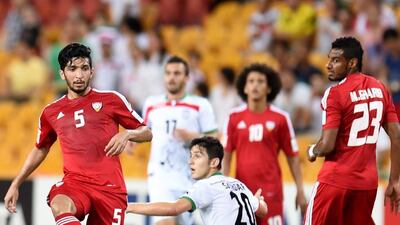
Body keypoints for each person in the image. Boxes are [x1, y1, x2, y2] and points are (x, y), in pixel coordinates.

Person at [3, 43, 153, 225]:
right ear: (62, 74)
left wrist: (127, 134)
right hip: (75, 184)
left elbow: (147, 132)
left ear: (92, 71)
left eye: (84, 68)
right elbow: (40, 148)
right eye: (72, 69)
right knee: (59, 202)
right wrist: (16, 183)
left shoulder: (111, 99)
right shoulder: (51, 112)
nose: (79, 75)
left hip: (110, 190)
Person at [305, 37, 400, 225]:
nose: (328, 65)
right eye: (329, 59)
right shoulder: (380, 88)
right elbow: (396, 137)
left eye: (335, 60)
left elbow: (327, 145)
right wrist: (394, 181)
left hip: (335, 181)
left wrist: (312, 150)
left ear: (352, 63)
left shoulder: (335, 93)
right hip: (366, 185)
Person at [223, 63, 307, 225]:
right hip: (242, 192)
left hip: (271, 193)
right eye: (251, 81)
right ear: (245, 88)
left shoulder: (281, 118)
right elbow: (226, 155)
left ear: (269, 88)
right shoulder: (233, 117)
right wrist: (224, 188)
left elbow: (293, 157)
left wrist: (300, 190)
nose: (255, 85)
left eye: (261, 81)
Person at [142, 55, 218, 225]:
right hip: (160, 176)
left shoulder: (200, 104)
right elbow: (144, 131)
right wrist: (131, 139)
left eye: (177, 73)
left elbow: (215, 141)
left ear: (187, 77)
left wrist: (193, 137)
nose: (172, 77)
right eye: (168, 73)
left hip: (189, 177)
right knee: (165, 223)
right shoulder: (151, 104)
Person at [127, 136, 268, 225]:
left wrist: (130, 207)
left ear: (214, 162)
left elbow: (174, 208)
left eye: (197, 156)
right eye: (190, 156)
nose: (190, 162)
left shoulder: (205, 186)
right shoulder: (238, 185)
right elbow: (262, 210)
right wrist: (258, 200)